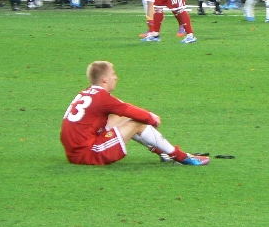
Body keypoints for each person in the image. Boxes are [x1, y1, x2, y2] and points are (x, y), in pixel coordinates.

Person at [60, 61, 209, 166]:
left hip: (74, 151)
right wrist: (152, 118)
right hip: (87, 153)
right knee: (137, 122)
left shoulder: (87, 92)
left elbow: (124, 109)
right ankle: (180, 157)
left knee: (125, 117)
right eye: (113, 74)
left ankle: (164, 152)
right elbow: (134, 113)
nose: (115, 77)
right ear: (104, 79)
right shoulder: (102, 98)